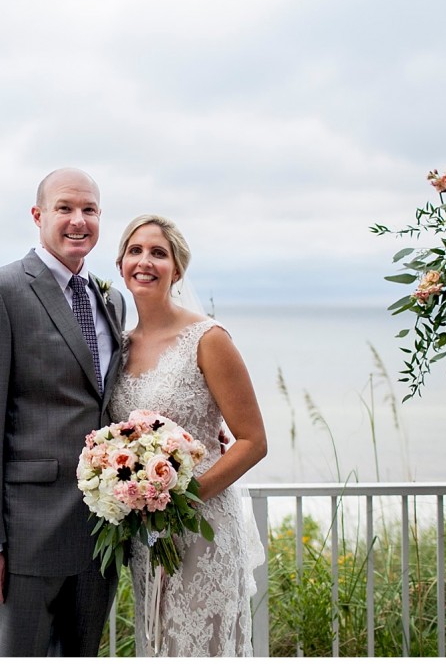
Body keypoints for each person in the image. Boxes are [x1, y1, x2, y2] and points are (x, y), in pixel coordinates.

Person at [0, 167, 127, 656]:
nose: (78, 220)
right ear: (38, 215)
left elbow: (113, 400)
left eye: (89, 210)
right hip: (27, 534)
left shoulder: (111, 300)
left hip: (100, 536)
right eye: (65, 208)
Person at [108, 213, 268, 657]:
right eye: (135, 251)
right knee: (156, 641)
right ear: (121, 263)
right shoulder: (118, 346)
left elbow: (253, 440)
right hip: (148, 534)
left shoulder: (208, 338)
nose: (145, 261)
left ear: (177, 268)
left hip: (203, 527)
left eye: (158, 253)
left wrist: (183, 499)